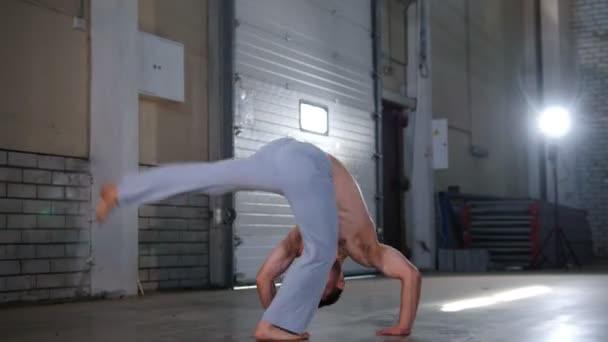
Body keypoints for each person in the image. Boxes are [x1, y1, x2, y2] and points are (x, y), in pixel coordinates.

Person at [96, 137, 421, 341]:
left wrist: (275, 315)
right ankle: (274, 327)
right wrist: (403, 326)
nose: (313, 283)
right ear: (341, 283)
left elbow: (264, 278)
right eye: (322, 287)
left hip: (279, 153)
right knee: (320, 254)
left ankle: (122, 191)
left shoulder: (299, 240)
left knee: (210, 178)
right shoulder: (365, 248)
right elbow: (410, 274)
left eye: (311, 290)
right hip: (309, 162)